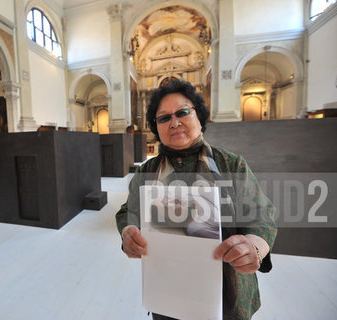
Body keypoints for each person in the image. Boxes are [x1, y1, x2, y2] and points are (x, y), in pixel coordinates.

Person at [115, 80, 277, 320]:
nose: (174, 122)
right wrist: (128, 230)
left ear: (199, 117)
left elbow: (261, 216)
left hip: (227, 294)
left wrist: (254, 247)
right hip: (167, 291)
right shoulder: (148, 171)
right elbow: (129, 211)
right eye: (164, 118)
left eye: (182, 112)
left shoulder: (230, 164)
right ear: (156, 127)